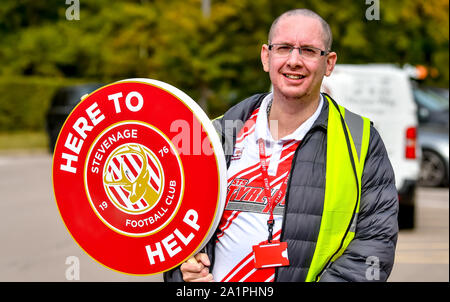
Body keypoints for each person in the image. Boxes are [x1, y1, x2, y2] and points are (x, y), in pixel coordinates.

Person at [164, 8, 398, 282]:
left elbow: (375, 244)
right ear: (266, 56)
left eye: (309, 51)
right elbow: (173, 230)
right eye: (284, 48)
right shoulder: (214, 135)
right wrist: (183, 272)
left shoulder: (361, 140)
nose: (294, 61)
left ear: (329, 63)